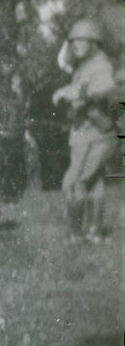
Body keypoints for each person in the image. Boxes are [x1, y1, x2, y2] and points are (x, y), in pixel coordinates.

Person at [52, 18, 118, 243]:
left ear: (94, 42)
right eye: (73, 41)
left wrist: (75, 94)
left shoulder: (101, 65)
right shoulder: (86, 66)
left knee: (74, 183)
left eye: (81, 39)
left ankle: (75, 234)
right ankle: (94, 232)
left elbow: (106, 86)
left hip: (95, 135)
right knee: (94, 184)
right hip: (90, 134)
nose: (75, 44)